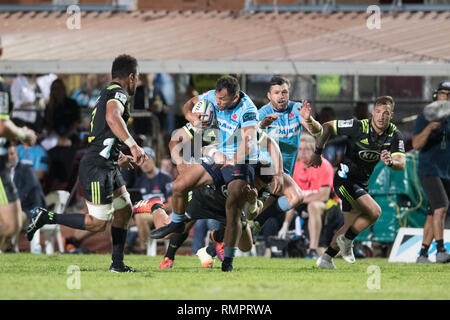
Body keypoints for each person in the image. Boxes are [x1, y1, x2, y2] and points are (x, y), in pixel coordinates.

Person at [26, 54, 147, 272]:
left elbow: (102, 135)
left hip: (106, 163)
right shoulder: (118, 93)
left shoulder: (106, 93)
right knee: (98, 224)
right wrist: (134, 145)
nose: (136, 82)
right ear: (131, 76)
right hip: (97, 167)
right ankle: (45, 216)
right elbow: (112, 118)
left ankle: (117, 265)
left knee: (124, 209)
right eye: (137, 77)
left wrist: (119, 156)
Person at [152, 76, 264, 272]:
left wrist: (231, 159)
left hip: (240, 162)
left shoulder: (248, 110)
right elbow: (187, 109)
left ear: (236, 97)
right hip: (217, 162)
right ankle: (175, 228)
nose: (218, 104)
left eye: (222, 100)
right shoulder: (209, 104)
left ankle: (226, 259)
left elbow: (248, 142)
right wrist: (190, 117)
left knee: (238, 224)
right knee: (180, 185)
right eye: (217, 99)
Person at [310, 96, 406, 269]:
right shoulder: (358, 126)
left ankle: (326, 258)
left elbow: (401, 163)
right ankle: (347, 241)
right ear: (372, 112)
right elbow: (327, 126)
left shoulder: (394, 134)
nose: (381, 116)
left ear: (391, 115)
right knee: (375, 212)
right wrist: (317, 152)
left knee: (348, 226)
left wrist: (391, 162)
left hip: (361, 183)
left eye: (386, 113)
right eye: (378, 112)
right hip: (344, 179)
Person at [412, 81, 450, 264]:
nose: (446, 97)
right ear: (436, 96)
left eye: (449, 94)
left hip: (446, 172)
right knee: (441, 207)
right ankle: (441, 251)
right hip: (429, 170)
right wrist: (429, 128)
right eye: (443, 93)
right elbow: (416, 144)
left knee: (432, 212)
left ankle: (422, 254)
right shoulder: (426, 117)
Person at [0, 75, 37, 253]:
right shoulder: (1, 85)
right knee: (11, 225)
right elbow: (2, 126)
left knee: (11, 226)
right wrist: (23, 134)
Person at [292, 134, 343, 258]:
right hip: (305, 206)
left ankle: (313, 248)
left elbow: (324, 196)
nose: (302, 152)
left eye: (306, 149)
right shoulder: (296, 167)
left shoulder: (324, 165)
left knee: (313, 206)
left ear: (314, 150)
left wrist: (299, 199)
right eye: (300, 149)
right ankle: (322, 251)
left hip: (330, 205)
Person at [131, 146, 173, 253]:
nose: (144, 164)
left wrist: (153, 208)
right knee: (117, 216)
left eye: (146, 160)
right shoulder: (140, 181)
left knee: (140, 217)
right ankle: (119, 249)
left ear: (154, 159)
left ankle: (144, 249)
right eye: (141, 161)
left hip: (164, 213)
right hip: (145, 214)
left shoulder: (166, 178)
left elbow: (172, 204)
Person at [43, 78, 81, 192]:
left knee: (66, 158)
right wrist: (57, 139)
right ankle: (52, 189)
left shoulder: (72, 103)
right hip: (54, 140)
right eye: (54, 89)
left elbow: (75, 124)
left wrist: (64, 138)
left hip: (69, 138)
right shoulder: (49, 107)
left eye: (59, 89)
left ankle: (62, 188)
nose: (57, 92)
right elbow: (47, 127)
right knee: (51, 160)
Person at [7, 143, 46, 252]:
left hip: (29, 210)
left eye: (12, 154)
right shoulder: (4, 172)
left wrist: (11, 204)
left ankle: (9, 246)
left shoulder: (26, 169)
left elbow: (28, 192)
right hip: (12, 209)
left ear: (17, 154)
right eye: (7, 154)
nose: (10, 157)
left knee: (10, 217)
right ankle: (7, 246)